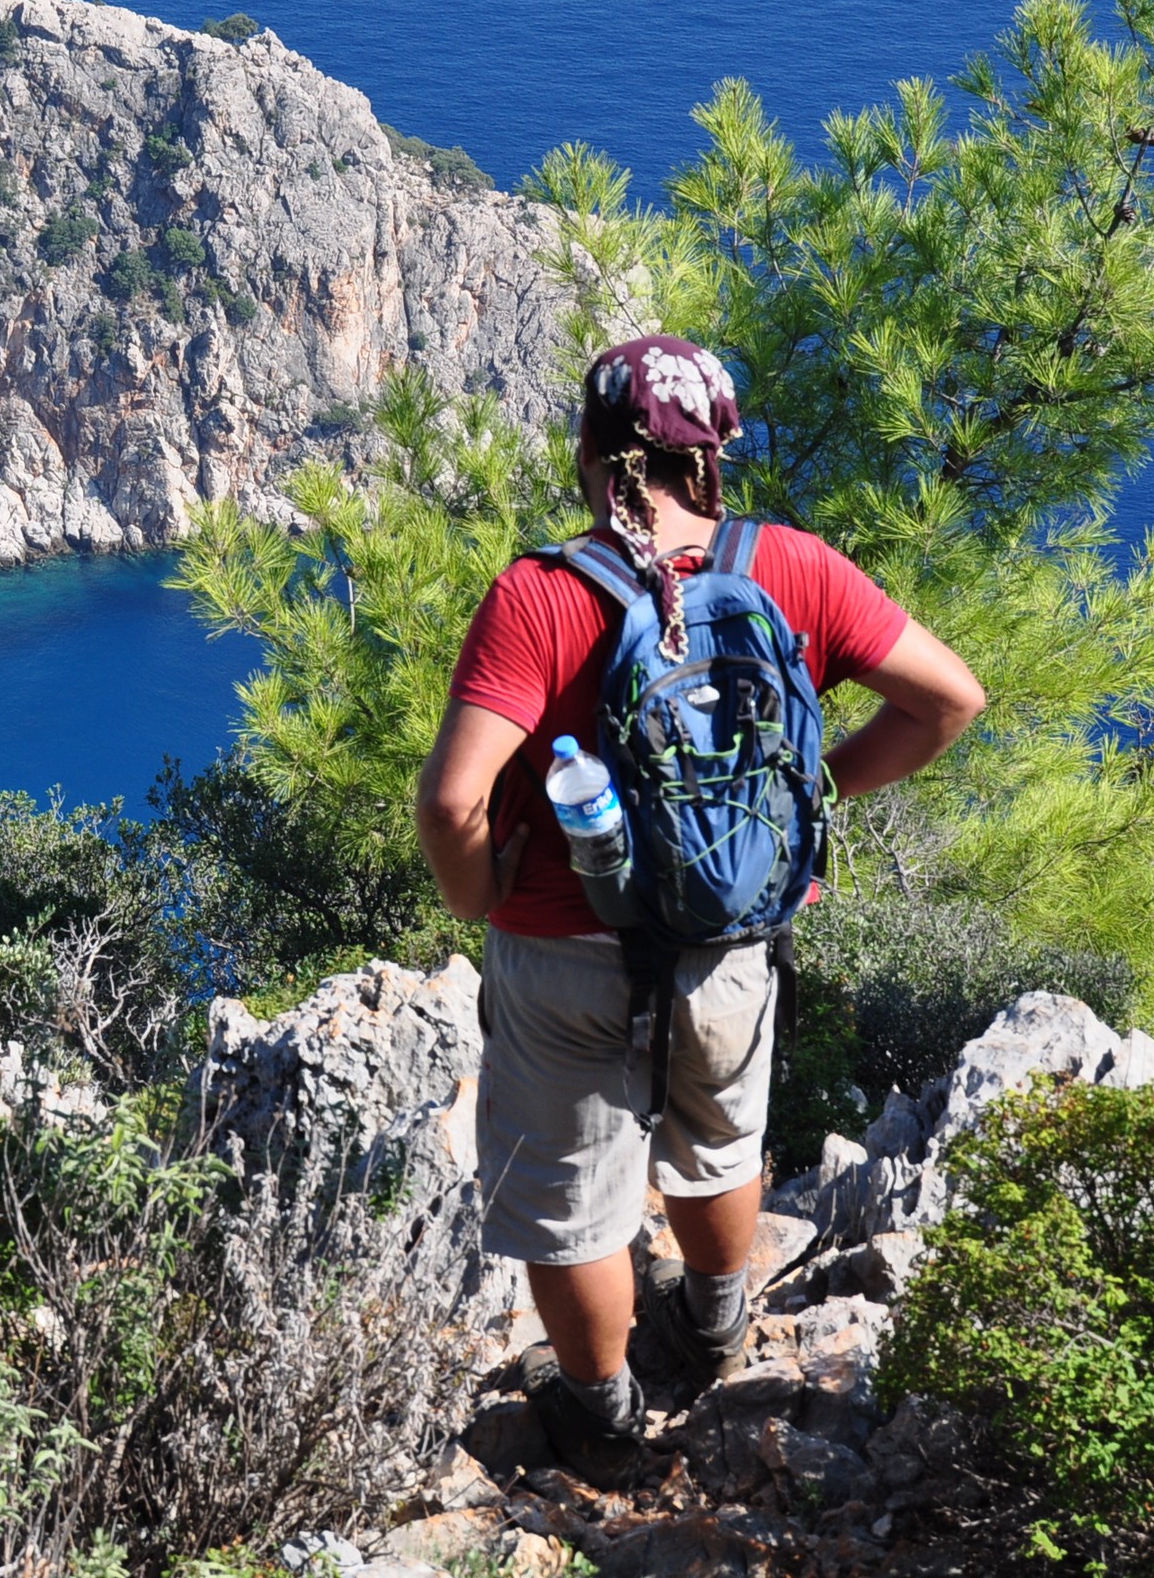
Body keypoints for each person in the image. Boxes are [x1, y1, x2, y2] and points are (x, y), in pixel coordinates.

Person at [414, 334, 985, 1471]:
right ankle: (713, 1327)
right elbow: (949, 701)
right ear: (713, 458)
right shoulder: (796, 568)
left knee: (576, 1200)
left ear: (591, 451)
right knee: (720, 1145)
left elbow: (449, 800)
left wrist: (481, 895)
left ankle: (598, 1415)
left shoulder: (541, 593)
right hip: (732, 939)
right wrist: (820, 792)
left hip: (563, 944)